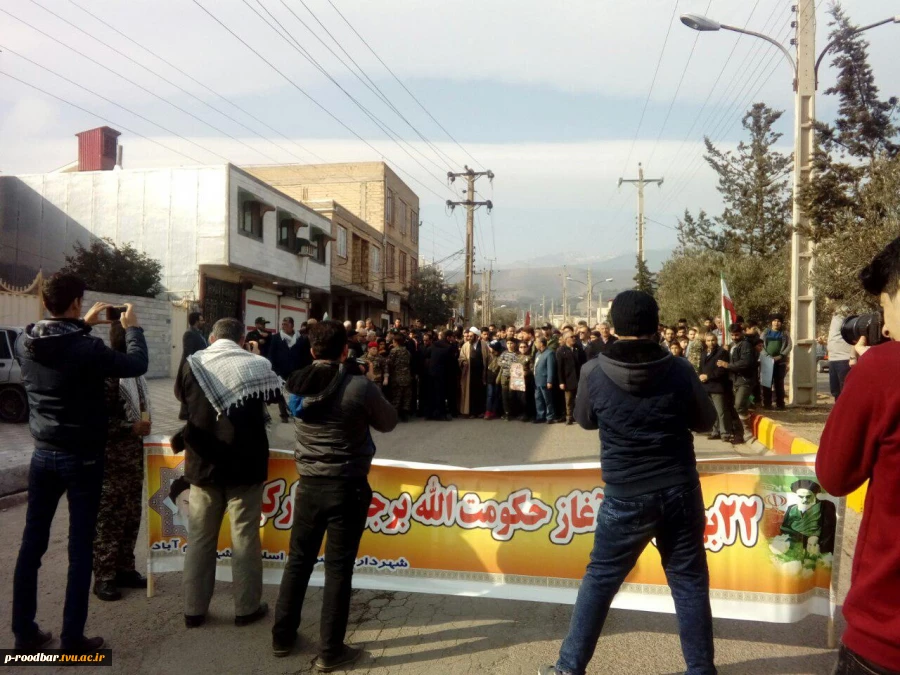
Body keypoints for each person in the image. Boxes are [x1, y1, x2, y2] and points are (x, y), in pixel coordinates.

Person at [542, 291, 716, 675]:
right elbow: (706, 421)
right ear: (656, 326)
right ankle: (701, 670)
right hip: (679, 489)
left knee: (600, 580)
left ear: (614, 327)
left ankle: (568, 669)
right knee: (688, 582)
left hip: (625, 494)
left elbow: (586, 420)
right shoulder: (680, 369)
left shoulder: (593, 371)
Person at [12, 273, 148, 653]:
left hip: (43, 455)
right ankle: (73, 640)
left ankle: (24, 634)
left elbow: (60, 342)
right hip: (84, 457)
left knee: (31, 546)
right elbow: (135, 364)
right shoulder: (88, 349)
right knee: (79, 550)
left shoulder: (26, 340)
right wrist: (132, 329)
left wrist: (81, 322)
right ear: (75, 302)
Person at [273, 321, 398, 668]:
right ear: (345, 351)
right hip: (347, 487)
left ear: (312, 351)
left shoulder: (296, 384)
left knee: (298, 561)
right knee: (338, 569)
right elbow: (389, 421)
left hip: (310, 485)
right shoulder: (358, 387)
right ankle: (330, 652)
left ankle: (282, 637)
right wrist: (368, 380)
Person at [816, 237, 900, 675]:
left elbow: (835, 474)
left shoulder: (883, 370)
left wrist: (864, 371)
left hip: (887, 637)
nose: (883, 326)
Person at [174, 317, 280, 630]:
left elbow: (183, 400)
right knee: (245, 537)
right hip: (245, 465)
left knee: (200, 538)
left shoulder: (193, 364)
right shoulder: (257, 364)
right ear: (243, 338)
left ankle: (194, 610)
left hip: (204, 464)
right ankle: (246, 609)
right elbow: (273, 399)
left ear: (211, 338)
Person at [93, 320, 153, 602]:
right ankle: (104, 576)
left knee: (131, 515)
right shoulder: (106, 374)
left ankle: (125, 568)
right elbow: (96, 422)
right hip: (111, 460)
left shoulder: (135, 375)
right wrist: (130, 428)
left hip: (133, 459)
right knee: (109, 519)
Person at [268, 317, 313, 422]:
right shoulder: (276, 338)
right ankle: (283, 415)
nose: (283, 326)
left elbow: (306, 356)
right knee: (281, 393)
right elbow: (271, 355)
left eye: (286, 324)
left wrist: (305, 370)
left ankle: (294, 411)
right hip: (281, 370)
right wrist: (274, 369)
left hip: (296, 371)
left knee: (294, 392)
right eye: (282, 324)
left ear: (292, 326)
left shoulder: (301, 339)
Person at [718, 323, 756, 444]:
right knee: (735, 407)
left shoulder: (745, 345)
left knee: (739, 405)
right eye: (732, 335)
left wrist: (727, 365)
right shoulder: (733, 345)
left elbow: (745, 363)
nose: (734, 337)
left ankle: (747, 429)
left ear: (742, 333)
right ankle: (739, 433)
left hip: (744, 380)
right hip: (734, 380)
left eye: (737, 334)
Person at [700, 333, 732, 442]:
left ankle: (725, 433)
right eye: (708, 341)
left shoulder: (722, 353)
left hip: (718, 386)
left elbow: (721, 371)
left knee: (721, 411)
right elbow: (701, 367)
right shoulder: (704, 353)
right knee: (712, 411)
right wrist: (701, 376)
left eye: (713, 340)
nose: (711, 343)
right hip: (706, 386)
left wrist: (708, 376)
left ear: (716, 340)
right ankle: (715, 431)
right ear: (705, 342)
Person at [178, 312, 208, 420]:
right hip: (192, 366)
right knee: (189, 391)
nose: (203, 322)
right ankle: (185, 414)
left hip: (199, 365)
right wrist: (190, 367)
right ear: (196, 321)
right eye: (201, 320)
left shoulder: (198, 333)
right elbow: (188, 353)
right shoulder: (189, 333)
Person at [761, 314, 791, 409]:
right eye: (774, 321)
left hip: (780, 362)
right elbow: (760, 345)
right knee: (767, 384)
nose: (776, 323)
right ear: (771, 322)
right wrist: (767, 356)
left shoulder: (785, 334)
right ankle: (767, 404)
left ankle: (780, 404)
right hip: (767, 361)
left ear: (781, 323)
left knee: (779, 384)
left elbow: (789, 346)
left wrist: (781, 356)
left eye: (778, 321)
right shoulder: (766, 332)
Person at [556, 332, 583, 425]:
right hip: (568, 379)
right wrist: (561, 382)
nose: (574, 338)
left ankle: (578, 417)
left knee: (579, 398)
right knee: (569, 400)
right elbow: (559, 368)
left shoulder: (578, 349)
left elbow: (582, 363)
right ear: (566, 339)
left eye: (574, 337)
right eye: (571, 337)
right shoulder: (561, 350)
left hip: (579, 378)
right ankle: (569, 417)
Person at [826, 310, 853, 400]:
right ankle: (839, 412)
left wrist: (853, 357)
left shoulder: (846, 313)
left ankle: (847, 412)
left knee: (845, 390)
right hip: (832, 359)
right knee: (835, 391)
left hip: (844, 359)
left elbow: (854, 337)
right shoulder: (834, 317)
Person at [387, 333, 413, 422]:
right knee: (406, 397)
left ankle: (394, 416)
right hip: (407, 376)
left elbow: (389, 363)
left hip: (397, 377)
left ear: (395, 342)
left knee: (396, 397)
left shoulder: (394, 351)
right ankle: (405, 415)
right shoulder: (407, 351)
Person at [532, 337, 557, 424]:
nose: (535, 344)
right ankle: (540, 416)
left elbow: (551, 368)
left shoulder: (549, 353)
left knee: (547, 399)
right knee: (538, 399)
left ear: (542, 343)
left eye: (536, 342)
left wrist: (549, 381)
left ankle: (550, 416)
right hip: (537, 381)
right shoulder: (537, 353)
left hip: (545, 380)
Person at [484, 341, 503, 420]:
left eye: (491, 347)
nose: (489, 348)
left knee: (496, 395)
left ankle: (494, 411)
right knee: (490, 395)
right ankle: (488, 411)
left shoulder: (501, 356)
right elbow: (485, 368)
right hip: (489, 379)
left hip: (498, 378)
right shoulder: (488, 356)